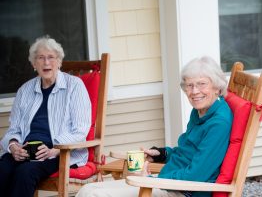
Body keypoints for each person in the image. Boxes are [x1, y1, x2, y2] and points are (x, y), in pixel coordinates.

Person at [76, 56, 233, 197]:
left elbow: (197, 175)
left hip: (184, 191)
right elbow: (186, 152)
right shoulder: (200, 111)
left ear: (217, 87)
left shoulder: (218, 123)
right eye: (189, 85)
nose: (194, 91)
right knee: (87, 190)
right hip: (168, 182)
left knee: (96, 195)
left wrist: (151, 180)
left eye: (201, 84)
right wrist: (161, 154)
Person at [0, 35, 91, 197]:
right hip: (25, 150)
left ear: (59, 62)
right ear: (34, 64)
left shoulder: (74, 86)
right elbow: (14, 128)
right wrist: (14, 146)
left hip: (58, 152)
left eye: (51, 57)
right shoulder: (24, 90)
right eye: (40, 58)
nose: (46, 62)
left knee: (24, 173)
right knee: (2, 169)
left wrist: (54, 149)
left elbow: (80, 130)